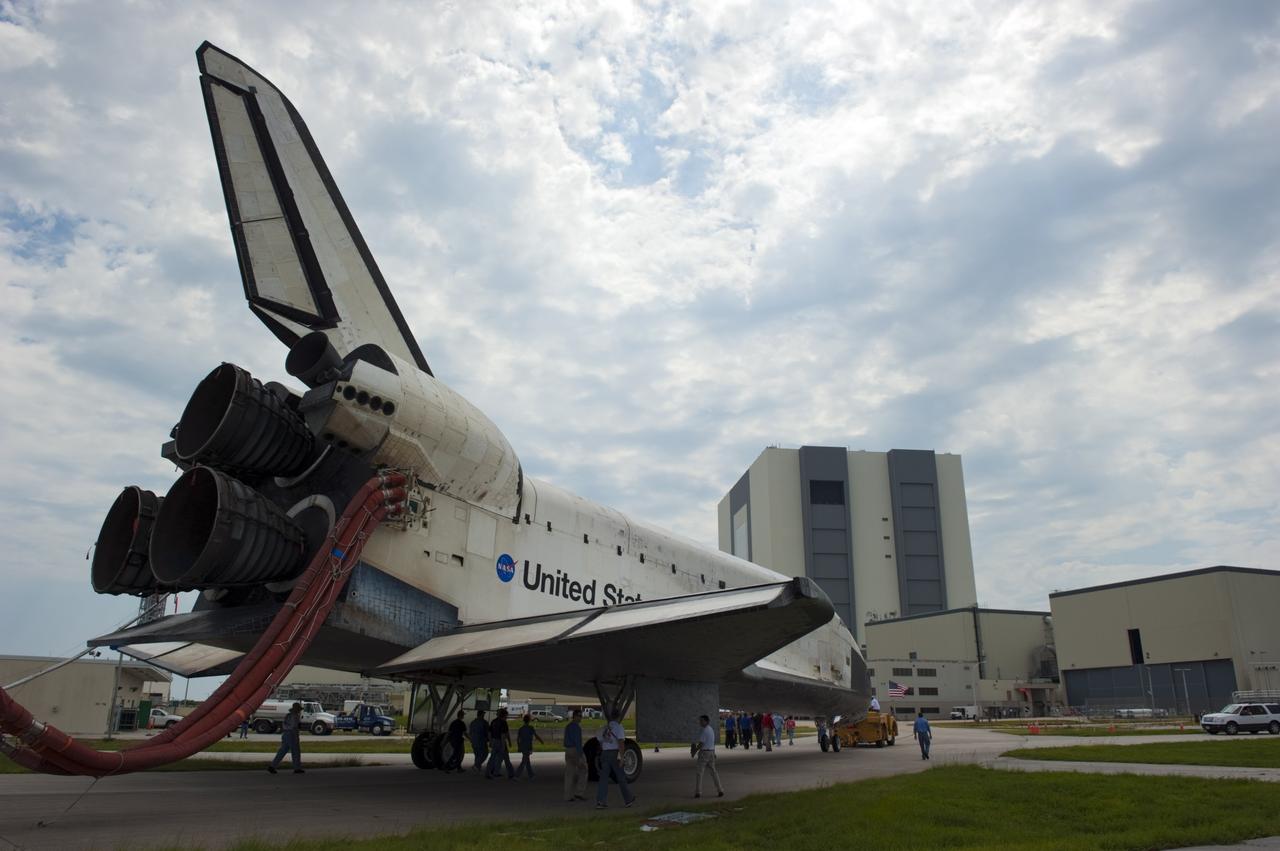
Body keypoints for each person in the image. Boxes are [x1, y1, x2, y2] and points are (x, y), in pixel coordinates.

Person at [595, 710, 635, 809]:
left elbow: (600, 741)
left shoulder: (605, 728)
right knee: (621, 777)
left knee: (603, 778)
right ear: (619, 717)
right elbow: (621, 742)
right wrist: (622, 758)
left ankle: (601, 801)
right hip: (614, 753)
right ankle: (628, 800)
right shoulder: (618, 727)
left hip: (604, 753)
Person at [692, 714, 725, 798]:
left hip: (704, 753)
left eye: (702, 720)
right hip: (711, 752)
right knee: (713, 772)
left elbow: (701, 744)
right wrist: (714, 752)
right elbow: (712, 742)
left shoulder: (704, 730)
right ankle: (720, 789)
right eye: (700, 720)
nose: (700, 722)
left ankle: (698, 792)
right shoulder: (711, 729)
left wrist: (695, 751)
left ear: (706, 721)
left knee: (699, 772)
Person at [266, 702, 304, 774]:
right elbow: (293, 726)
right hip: (292, 734)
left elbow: (284, 724)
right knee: (295, 751)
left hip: (285, 733)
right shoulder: (295, 716)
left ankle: (273, 766)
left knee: (282, 751)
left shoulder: (288, 715)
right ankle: (297, 768)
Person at [563, 709, 588, 802]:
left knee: (569, 773)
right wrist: (581, 755)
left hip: (568, 750)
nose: (581, 718)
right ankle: (579, 792)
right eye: (580, 716)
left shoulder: (568, 726)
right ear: (576, 716)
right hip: (575, 750)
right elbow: (578, 742)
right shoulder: (577, 727)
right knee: (584, 769)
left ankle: (567, 796)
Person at [487, 708, 515, 779]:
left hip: (494, 741)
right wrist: (505, 744)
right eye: (506, 716)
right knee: (505, 758)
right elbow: (504, 734)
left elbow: (489, 733)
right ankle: (510, 774)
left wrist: (490, 742)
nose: (507, 717)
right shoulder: (503, 723)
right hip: (500, 742)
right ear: (504, 715)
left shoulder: (493, 721)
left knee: (492, 758)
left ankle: (488, 772)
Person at [516, 714, 544, 779]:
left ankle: (531, 775)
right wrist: (541, 741)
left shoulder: (521, 729)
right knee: (524, 761)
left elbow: (518, 739)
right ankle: (517, 775)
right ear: (529, 720)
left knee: (527, 761)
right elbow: (536, 736)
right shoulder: (531, 728)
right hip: (528, 746)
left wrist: (518, 746)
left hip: (522, 746)